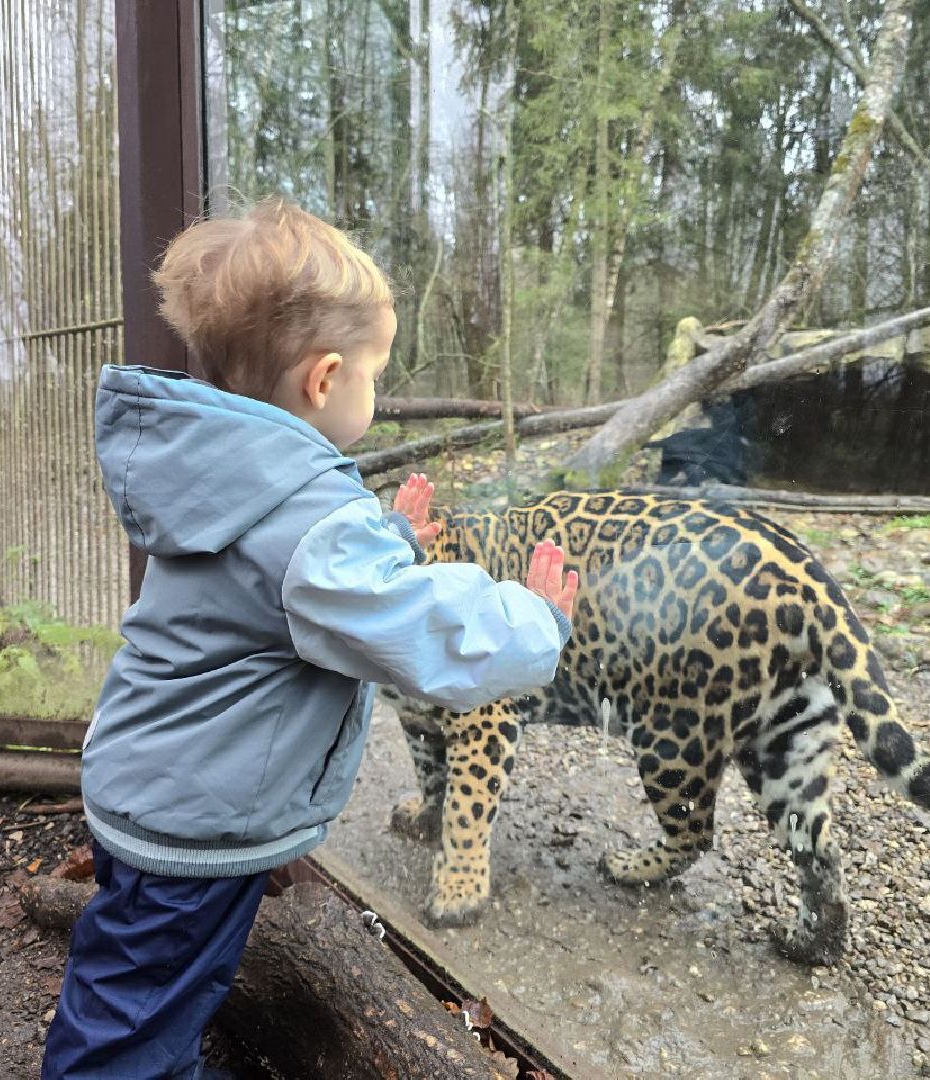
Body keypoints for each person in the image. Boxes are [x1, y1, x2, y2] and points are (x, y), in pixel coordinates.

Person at [41, 197, 579, 1080]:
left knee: (148, 978)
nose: (378, 393)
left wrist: (386, 539)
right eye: (376, 375)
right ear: (324, 380)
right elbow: (419, 628)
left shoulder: (219, 472)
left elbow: (273, 585)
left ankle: (157, 1059)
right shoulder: (307, 520)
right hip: (193, 825)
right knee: (131, 1011)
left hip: (150, 781)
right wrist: (534, 620)